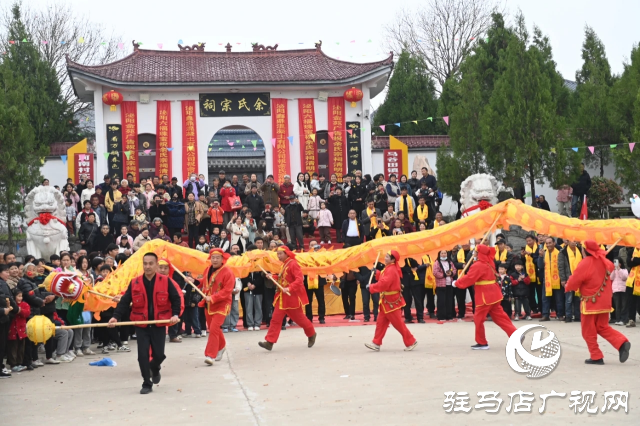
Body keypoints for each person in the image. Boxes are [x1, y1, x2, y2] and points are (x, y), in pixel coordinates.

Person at [109, 253, 182, 394]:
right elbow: (124, 301)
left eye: (151, 263)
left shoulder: (166, 281)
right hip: (141, 324)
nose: (147, 266)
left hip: (158, 324)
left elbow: (176, 299)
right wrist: (115, 317)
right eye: (145, 263)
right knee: (142, 355)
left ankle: (155, 368)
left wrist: (175, 314)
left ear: (156, 265)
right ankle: (146, 383)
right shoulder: (135, 282)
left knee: (159, 355)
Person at [565, 241, 631, 365]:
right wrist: (601, 256)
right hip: (605, 301)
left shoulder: (585, 263)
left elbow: (574, 281)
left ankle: (596, 356)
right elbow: (611, 266)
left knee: (588, 330)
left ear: (585, 250)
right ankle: (622, 342)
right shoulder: (605, 261)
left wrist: (568, 287)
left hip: (590, 301)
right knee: (602, 327)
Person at [456, 244, 517, 350]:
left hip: (484, 295)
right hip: (494, 294)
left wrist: (457, 283)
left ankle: (482, 342)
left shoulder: (478, 265)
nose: (474, 253)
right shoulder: (489, 262)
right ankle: (515, 334)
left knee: (478, 319)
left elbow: (470, 278)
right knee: (501, 317)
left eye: (476, 252)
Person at [258, 245, 317, 351]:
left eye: (280, 254)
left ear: (286, 253)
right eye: (277, 254)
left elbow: (299, 280)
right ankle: (270, 342)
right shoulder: (284, 264)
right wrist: (273, 276)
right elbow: (282, 278)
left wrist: (289, 288)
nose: (278, 256)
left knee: (300, 319)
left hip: (292, 297)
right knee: (275, 319)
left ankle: (311, 333)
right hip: (282, 297)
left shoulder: (293, 264)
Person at [365, 251, 417, 352]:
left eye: (387, 257)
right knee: (381, 323)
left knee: (398, 324)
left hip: (392, 302)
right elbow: (384, 279)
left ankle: (411, 341)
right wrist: (378, 273)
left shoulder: (391, 269)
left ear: (393, 260)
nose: (385, 258)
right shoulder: (389, 268)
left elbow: (384, 283)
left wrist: (371, 287)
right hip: (387, 302)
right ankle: (376, 342)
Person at [540, 236, 565, 321]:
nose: (548, 245)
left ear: (554, 243)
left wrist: (562, 279)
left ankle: (560, 315)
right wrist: (540, 257)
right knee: (545, 298)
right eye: (546, 243)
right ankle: (545, 315)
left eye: (550, 243)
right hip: (547, 279)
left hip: (557, 279)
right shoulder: (544, 253)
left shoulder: (559, 253)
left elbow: (562, 266)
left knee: (559, 299)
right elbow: (540, 266)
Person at [558, 241, 583, 323]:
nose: (573, 242)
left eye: (575, 241)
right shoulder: (563, 252)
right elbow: (561, 267)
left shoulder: (580, 250)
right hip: (568, 277)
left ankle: (577, 316)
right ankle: (568, 316)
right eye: (571, 241)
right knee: (568, 299)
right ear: (568, 242)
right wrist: (563, 279)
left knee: (577, 298)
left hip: (578, 277)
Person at [241, 247, 264, 331]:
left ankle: (257, 323)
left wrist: (255, 284)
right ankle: (250, 323)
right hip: (247, 288)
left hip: (258, 289)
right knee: (248, 307)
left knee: (258, 306)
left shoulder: (260, 262)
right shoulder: (244, 262)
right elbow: (243, 275)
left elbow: (262, 277)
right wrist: (248, 283)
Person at [433, 250, 457, 321]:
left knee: (449, 301)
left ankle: (449, 316)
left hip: (449, 284)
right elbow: (435, 272)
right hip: (441, 285)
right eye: (442, 253)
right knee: (441, 301)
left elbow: (454, 270)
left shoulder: (450, 262)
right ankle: (441, 316)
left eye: (445, 253)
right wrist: (444, 274)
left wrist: (451, 273)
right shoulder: (437, 263)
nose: (444, 255)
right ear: (439, 255)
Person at [611, 258, 628, 325]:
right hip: (616, 289)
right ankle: (618, 319)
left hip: (623, 289)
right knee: (617, 306)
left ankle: (623, 319)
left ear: (621, 263)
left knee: (624, 305)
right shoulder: (614, 270)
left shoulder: (624, 270)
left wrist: (619, 269)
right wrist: (613, 270)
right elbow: (611, 278)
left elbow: (624, 277)